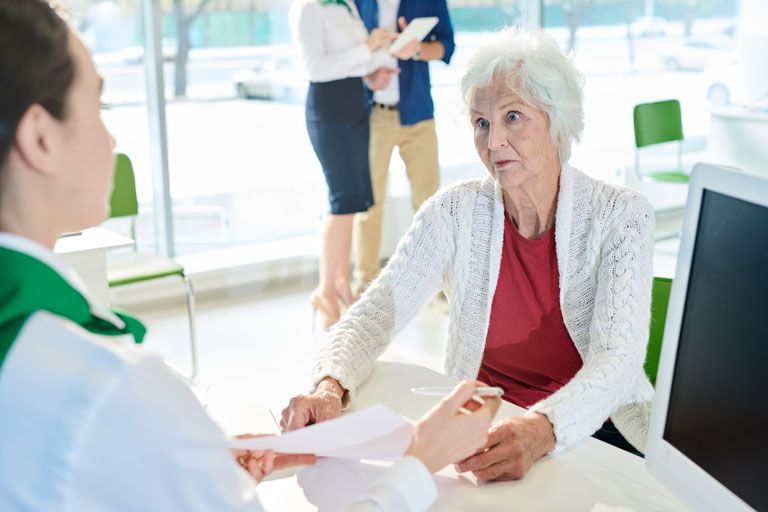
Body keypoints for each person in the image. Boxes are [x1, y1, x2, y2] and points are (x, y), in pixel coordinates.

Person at [0, 1, 499, 510]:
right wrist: (418, 463)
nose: (111, 138)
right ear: (41, 138)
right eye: (99, 109)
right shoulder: (111, 386)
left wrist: (199, 470)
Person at [282, 26, 657, 480]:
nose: (493, 141)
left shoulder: (622, 215)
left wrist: (542, 429)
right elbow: (376, 312)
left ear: (557, 123)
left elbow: (618, 362)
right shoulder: (453, 211)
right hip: (486, 434)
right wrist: (329, 384)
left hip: (596, 433)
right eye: (481, 123)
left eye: (513, 117)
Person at [289, 0, 398, 329]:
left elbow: (352, 61)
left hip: (354, 103)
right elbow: (315, 68)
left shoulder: (347, 4)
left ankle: (340, 285)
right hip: (329, 109)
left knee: (352, 203)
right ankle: (324, 290)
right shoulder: (308, 8)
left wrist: (379, 59)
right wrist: (367, 47)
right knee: (341, 201)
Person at [351, 0, 455, 294]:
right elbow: (345, 54)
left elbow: (447, 46)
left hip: (418, 115)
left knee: (428, 205)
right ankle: (364, 286)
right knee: (368, 205)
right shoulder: (358, 3)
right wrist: (368, 76)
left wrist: (418, 49)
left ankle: (433, 287)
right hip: (373, 116)